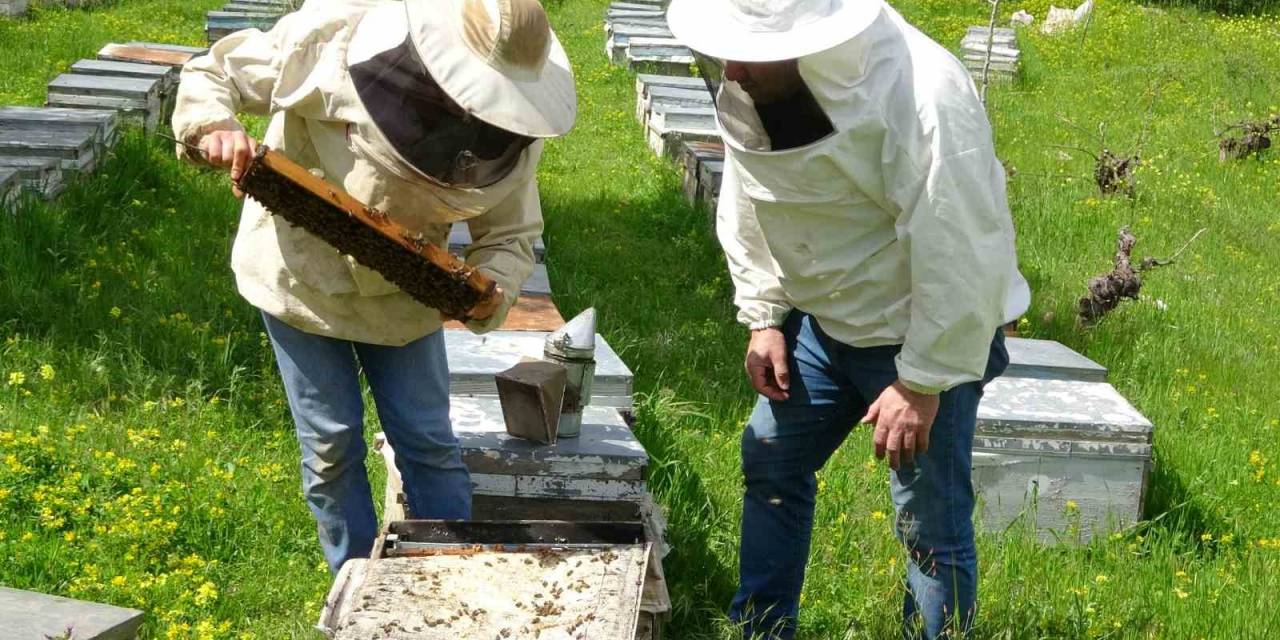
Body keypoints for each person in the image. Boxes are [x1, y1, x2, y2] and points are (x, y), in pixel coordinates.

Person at [170, 0, 576, 573]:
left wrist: (490, 291)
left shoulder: (509, 123)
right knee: (331, 447)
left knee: (429, 445)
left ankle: (449, 583)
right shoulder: (336, 37)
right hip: (298, 279)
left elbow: (510, 236)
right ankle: (355, 588)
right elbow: (217, 71)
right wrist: (214, 125)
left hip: (401, 301)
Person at [667, 0, 1031, 637]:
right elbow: (749, 190)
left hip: (919, 333)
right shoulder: (753, 78)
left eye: (748, 54)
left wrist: (921, 383)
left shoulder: (924, 92)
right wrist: (764, 316)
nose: (734, 70)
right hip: (823, 321)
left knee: (928, 521)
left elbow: (961, 245)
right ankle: (761, 626)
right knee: (772, 459)